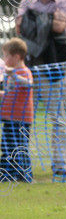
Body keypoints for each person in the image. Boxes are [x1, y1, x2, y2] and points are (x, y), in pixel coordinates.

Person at [15, 0, 66, 177]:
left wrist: (34, 22)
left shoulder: (65, 2)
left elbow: (59, 27)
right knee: (23, 116)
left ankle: (59, 164)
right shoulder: (25, 1)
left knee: (58, 118)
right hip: (30, 69)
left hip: (55, 68)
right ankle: (20, 162)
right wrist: (47, 22)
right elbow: (20, 29)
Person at [0, 38, 34, 183]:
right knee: (7, 146)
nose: (4, 59)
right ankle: (6, 174)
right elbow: (10, 92)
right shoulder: (9, 74)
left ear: (17, 56)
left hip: (20, 119)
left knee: (19, 147)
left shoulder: (24, 72)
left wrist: (14, 75)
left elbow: (28, 84)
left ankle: (25, 175)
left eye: (6, 55)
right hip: (9, 117)